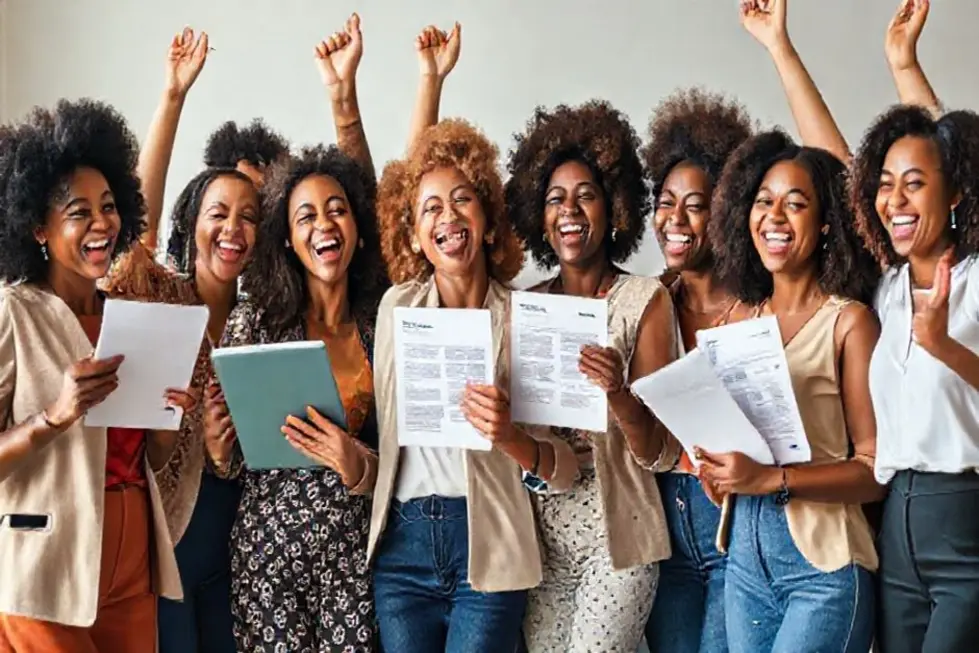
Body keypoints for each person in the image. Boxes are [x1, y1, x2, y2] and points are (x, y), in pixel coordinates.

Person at [370, 57, 579, 649]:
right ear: (414, 234)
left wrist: (511, 436)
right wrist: (428, 83)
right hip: (402, 547)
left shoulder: (527, 316)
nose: (447, 216)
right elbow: (413, 176)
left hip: (488, 541)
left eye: (462, 200)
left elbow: (564, 469)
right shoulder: (397, 310)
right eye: (430, 209)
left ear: (488, 221)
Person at [202, 15, 386, 653]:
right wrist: (219, 449)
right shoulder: (257, 321)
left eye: (338, 209)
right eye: (306, 214)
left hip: (352, 559)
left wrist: (359, 466)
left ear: (358, 227)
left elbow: (403, 453)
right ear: (288, 237)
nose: (324, 223)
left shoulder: (381, 321)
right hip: (266, 558)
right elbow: (230, 464)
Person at [0, 99, 196, 653]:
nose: (102, 223)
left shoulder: (128, 319)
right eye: (78, 211)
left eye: (109, 207)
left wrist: (167, 422)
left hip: (132, 561)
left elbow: (148, 459)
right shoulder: (12, 311)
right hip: (45, 561)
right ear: (38, 226)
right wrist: (54, 417)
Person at [503, 99, 678, 652]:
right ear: (539, 214)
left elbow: (661, 451)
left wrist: (618, 394)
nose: (570, 210)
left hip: (619, 539)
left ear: (614, 208)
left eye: (586, 195)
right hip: (542, 546)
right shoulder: (521, 306)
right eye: (555, 198)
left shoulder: (644, 300)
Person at [702, 123, 884, 652]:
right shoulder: (734, 320)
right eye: (764, 201)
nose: (774, 217)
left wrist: (771, 478)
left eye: (795, 204)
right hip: (743, 565)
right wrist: (721, 473)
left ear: (826, 224)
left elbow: (874, 472)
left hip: (821, 569)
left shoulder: (849, 323)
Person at [851, 10, 979, 642]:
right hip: (895, 524)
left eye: (914, 186)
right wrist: (779, 46)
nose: (893, 200)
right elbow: (838, 164)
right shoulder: (889, 287)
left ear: (954, 192)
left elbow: (946, 149)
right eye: (885, 186)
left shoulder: (978, 278)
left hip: (964, 517)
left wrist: (944, 347)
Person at [640, 88, 754, 653]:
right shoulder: (649, 302)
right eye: (665, 201)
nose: (675, 220)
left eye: (695, 204)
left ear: (727, 210)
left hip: (735, 523)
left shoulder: (761, 308)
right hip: (666, 524)